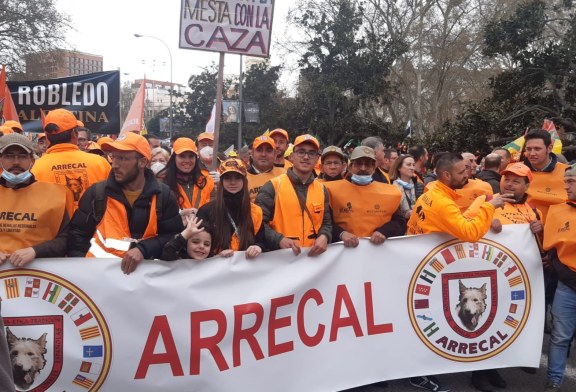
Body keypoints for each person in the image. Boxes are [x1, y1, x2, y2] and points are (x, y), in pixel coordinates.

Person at [67, 132, 183, 274]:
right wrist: (87, 272)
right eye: (113, 157)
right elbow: (76, 238)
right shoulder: (96, 193)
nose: (114, 164)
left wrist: (143, 249)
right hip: (101, 281)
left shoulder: (163, 195)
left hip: (146, 281)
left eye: (122, 158)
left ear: (142, 162)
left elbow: (174, 236)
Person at [474, 162, 543, 392]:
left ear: (526, 185)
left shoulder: (533, 211)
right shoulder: (488, 202)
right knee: (487, 323)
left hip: (517, 278)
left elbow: (539, 247)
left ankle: (497, 367)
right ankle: (481, 373)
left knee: (506, 322)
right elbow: (465, 226)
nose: (510, 183)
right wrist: (486, 220)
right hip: (489, 275)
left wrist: (539, 231)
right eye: (507, 178)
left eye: (516, 180)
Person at [0, 133, 74, 267]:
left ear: (32, 161)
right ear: (1, 160)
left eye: (22, 156)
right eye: (9, 156)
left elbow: (68, 238)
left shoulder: (55, 194)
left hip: (41, 277)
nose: (16, 162)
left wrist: (36, 251)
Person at [407, 153, 513, 241]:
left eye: (466, 170)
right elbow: (470, 234)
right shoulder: (443, 203)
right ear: (447, 175)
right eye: (461, 172)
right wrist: (490, 206)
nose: (466, 175)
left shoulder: (429, 194)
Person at [256, 134, 332, 256]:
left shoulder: (322, 189)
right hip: (281, 258)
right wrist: (278, 240)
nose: (306, 157)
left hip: (313, 259)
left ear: (317, 159)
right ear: (292, 156)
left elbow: (326, 223)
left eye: (312, 153)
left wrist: (324, 236)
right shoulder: (273, 186)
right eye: (301, 152)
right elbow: (257, 223)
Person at [324, 146, 405, 248]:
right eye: (358, 163)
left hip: (377, 251)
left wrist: (385, 231)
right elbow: (323, 222)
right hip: (342, 252)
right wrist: (341, 234)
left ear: (374, 168)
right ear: (350, 167)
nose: (363, 168)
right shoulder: (331, 190)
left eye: (367, 164)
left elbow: (400, 223)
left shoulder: (389, 192)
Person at [31, 109, 111, 208]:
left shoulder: (36, 168)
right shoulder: (100, 163)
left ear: (47, 136)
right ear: (75, 133)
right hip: (95, 223)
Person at [542, 163, 576, 391]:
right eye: (565, 181)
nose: (566, 186)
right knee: (560, 337)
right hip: (567, 285)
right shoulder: (557, 210)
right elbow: (551, 251)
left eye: (572, 181)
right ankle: (554, 382)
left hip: (567, 283)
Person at [196, 158, 266, 258]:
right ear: (222, 181)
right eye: (227, 178)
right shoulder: (206, 211)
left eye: (237, 178)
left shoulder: (255, 211)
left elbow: (262, 240)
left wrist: (258, 247)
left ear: (244, 181)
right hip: (216, 270)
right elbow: (197, 246)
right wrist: (216, 255)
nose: (233, 182)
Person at [158, 137, 214, 214]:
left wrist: (201, 214)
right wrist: (179, 214)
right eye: (182, 156)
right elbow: (157, 211)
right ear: (174, 158)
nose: (187, 161)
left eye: (191, 156)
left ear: (196, 158)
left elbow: (215, 209)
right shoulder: (161, 181)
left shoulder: (207, 180)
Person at [523, 129, 568, 220]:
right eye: (528, 149)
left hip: (558, 229)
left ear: (549, 148)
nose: (532, 153)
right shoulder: (514, 171)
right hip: (523, 229)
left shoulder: (568, 173)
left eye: (537, 149)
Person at [247, 135, 286, 201]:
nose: (263, 154)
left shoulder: (285, 174)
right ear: (252, 154)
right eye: (259, 150)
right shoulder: (242, 178)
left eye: (268, 151)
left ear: (275, 155)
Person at [390, 154, 424, 219]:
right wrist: (407, 214)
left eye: (413, 165)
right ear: (399, 168)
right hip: (400, 224)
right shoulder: (392, 187)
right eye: (408, 165)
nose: (412, 168)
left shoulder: (419, 186)